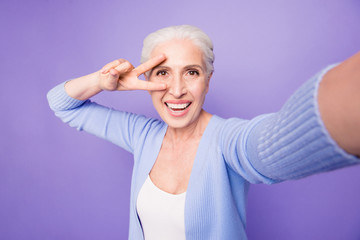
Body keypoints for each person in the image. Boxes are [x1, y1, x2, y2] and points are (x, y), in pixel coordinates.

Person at [47, 25, 360, 240]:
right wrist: (101, 82)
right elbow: (62, 104)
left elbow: (271, 143)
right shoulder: (141, 134)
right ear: (144, 79)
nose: (178, 90)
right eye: (162, 73)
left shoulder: (227, 141)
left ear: (207, 80)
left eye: (191, 73)